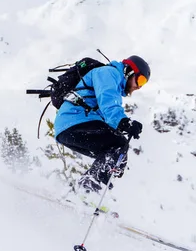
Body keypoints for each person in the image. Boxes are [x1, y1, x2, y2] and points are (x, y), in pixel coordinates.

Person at [54, 55, 150, 198]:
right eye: (140, 79)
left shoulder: (114, 84)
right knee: (118, 146)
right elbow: (108, 102)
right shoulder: (109, 73)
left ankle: (81, 193)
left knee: (116, 157)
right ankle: (88, 190)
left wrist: (122, 128)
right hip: (74, 120)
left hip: (71, 126)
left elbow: (108, 120)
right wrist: (125, 122)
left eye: (144, 84)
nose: (139, 86)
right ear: (129, 71)